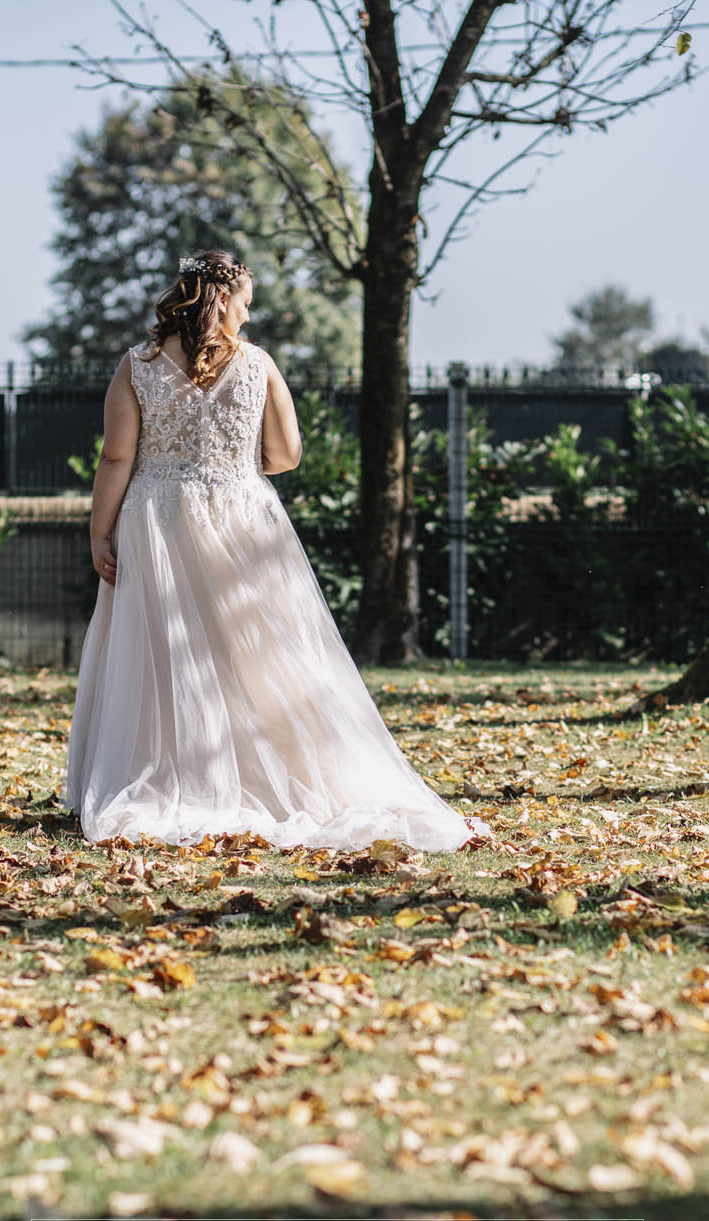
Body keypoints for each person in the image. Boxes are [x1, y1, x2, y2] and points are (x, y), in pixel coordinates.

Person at [64, 251, 487, 851]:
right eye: (246, 301)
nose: (248, 312)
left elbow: (116, 457)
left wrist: (97, 531)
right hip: (243, 516)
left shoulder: (138, 365)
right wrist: (231, 469)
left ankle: (159, 774)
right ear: (227, 299)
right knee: (259, 649)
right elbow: (287, 454)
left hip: (156, 519)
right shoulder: (258, 364)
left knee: (160, 652)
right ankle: (264, 772)